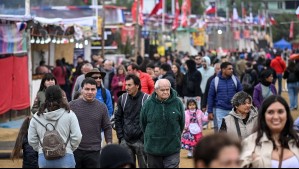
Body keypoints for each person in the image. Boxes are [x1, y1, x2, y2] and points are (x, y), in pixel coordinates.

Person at [28, 85, 82, 168]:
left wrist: (41, 149)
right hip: (66, 156)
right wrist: (68, 148)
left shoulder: (36, 117)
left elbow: (31, 139)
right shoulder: (70, 114)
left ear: (46, 97)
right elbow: (77, 137)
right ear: (61, 97)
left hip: (45, 158)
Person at [241, 95, 299, 168]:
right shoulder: (250, 143)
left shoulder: (297, 139)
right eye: (270, 112)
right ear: (263, 116)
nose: (276, 117)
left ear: (287, 115)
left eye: (280, 112)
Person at [140, 79, 185, 168]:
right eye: (162, 90)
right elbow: (143, 123)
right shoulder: (148, 104)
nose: (165, 92)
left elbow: (181, 123)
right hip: (153, 148)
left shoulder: (177, 102)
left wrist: (175, 136)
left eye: (167, 89)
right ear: (156, 90)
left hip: (172, 147)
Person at [69, 78, 112, 168]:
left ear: (96, 90)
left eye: (93, 89)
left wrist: (109, 143)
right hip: (75, 149)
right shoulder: (72, 105)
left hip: (94, 151)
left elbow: (107, 126)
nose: (90, 92)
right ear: (81, 90)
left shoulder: (102, 107)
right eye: (87, 89)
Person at [115, 74, 150, 168]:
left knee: (144, 166)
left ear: (137, 85)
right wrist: (121, 137)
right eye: (126, 85)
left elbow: (150, 121)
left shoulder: (146, 99)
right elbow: (117, 119)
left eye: (129, 85)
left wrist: (143, 139)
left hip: (141, 142)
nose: (126, 87)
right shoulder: (122, 98)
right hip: (125, 141)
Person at [208, 62, 243, 130]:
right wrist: (210, 111)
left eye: (232, 69)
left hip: (234, 110)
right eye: (229, 69)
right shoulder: (215, 81)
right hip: (220, 110)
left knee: (234, 130)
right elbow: (210, 96)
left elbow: (241, 94)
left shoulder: (235, 80)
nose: (232, 70)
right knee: (221, 130)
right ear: (223, 70)